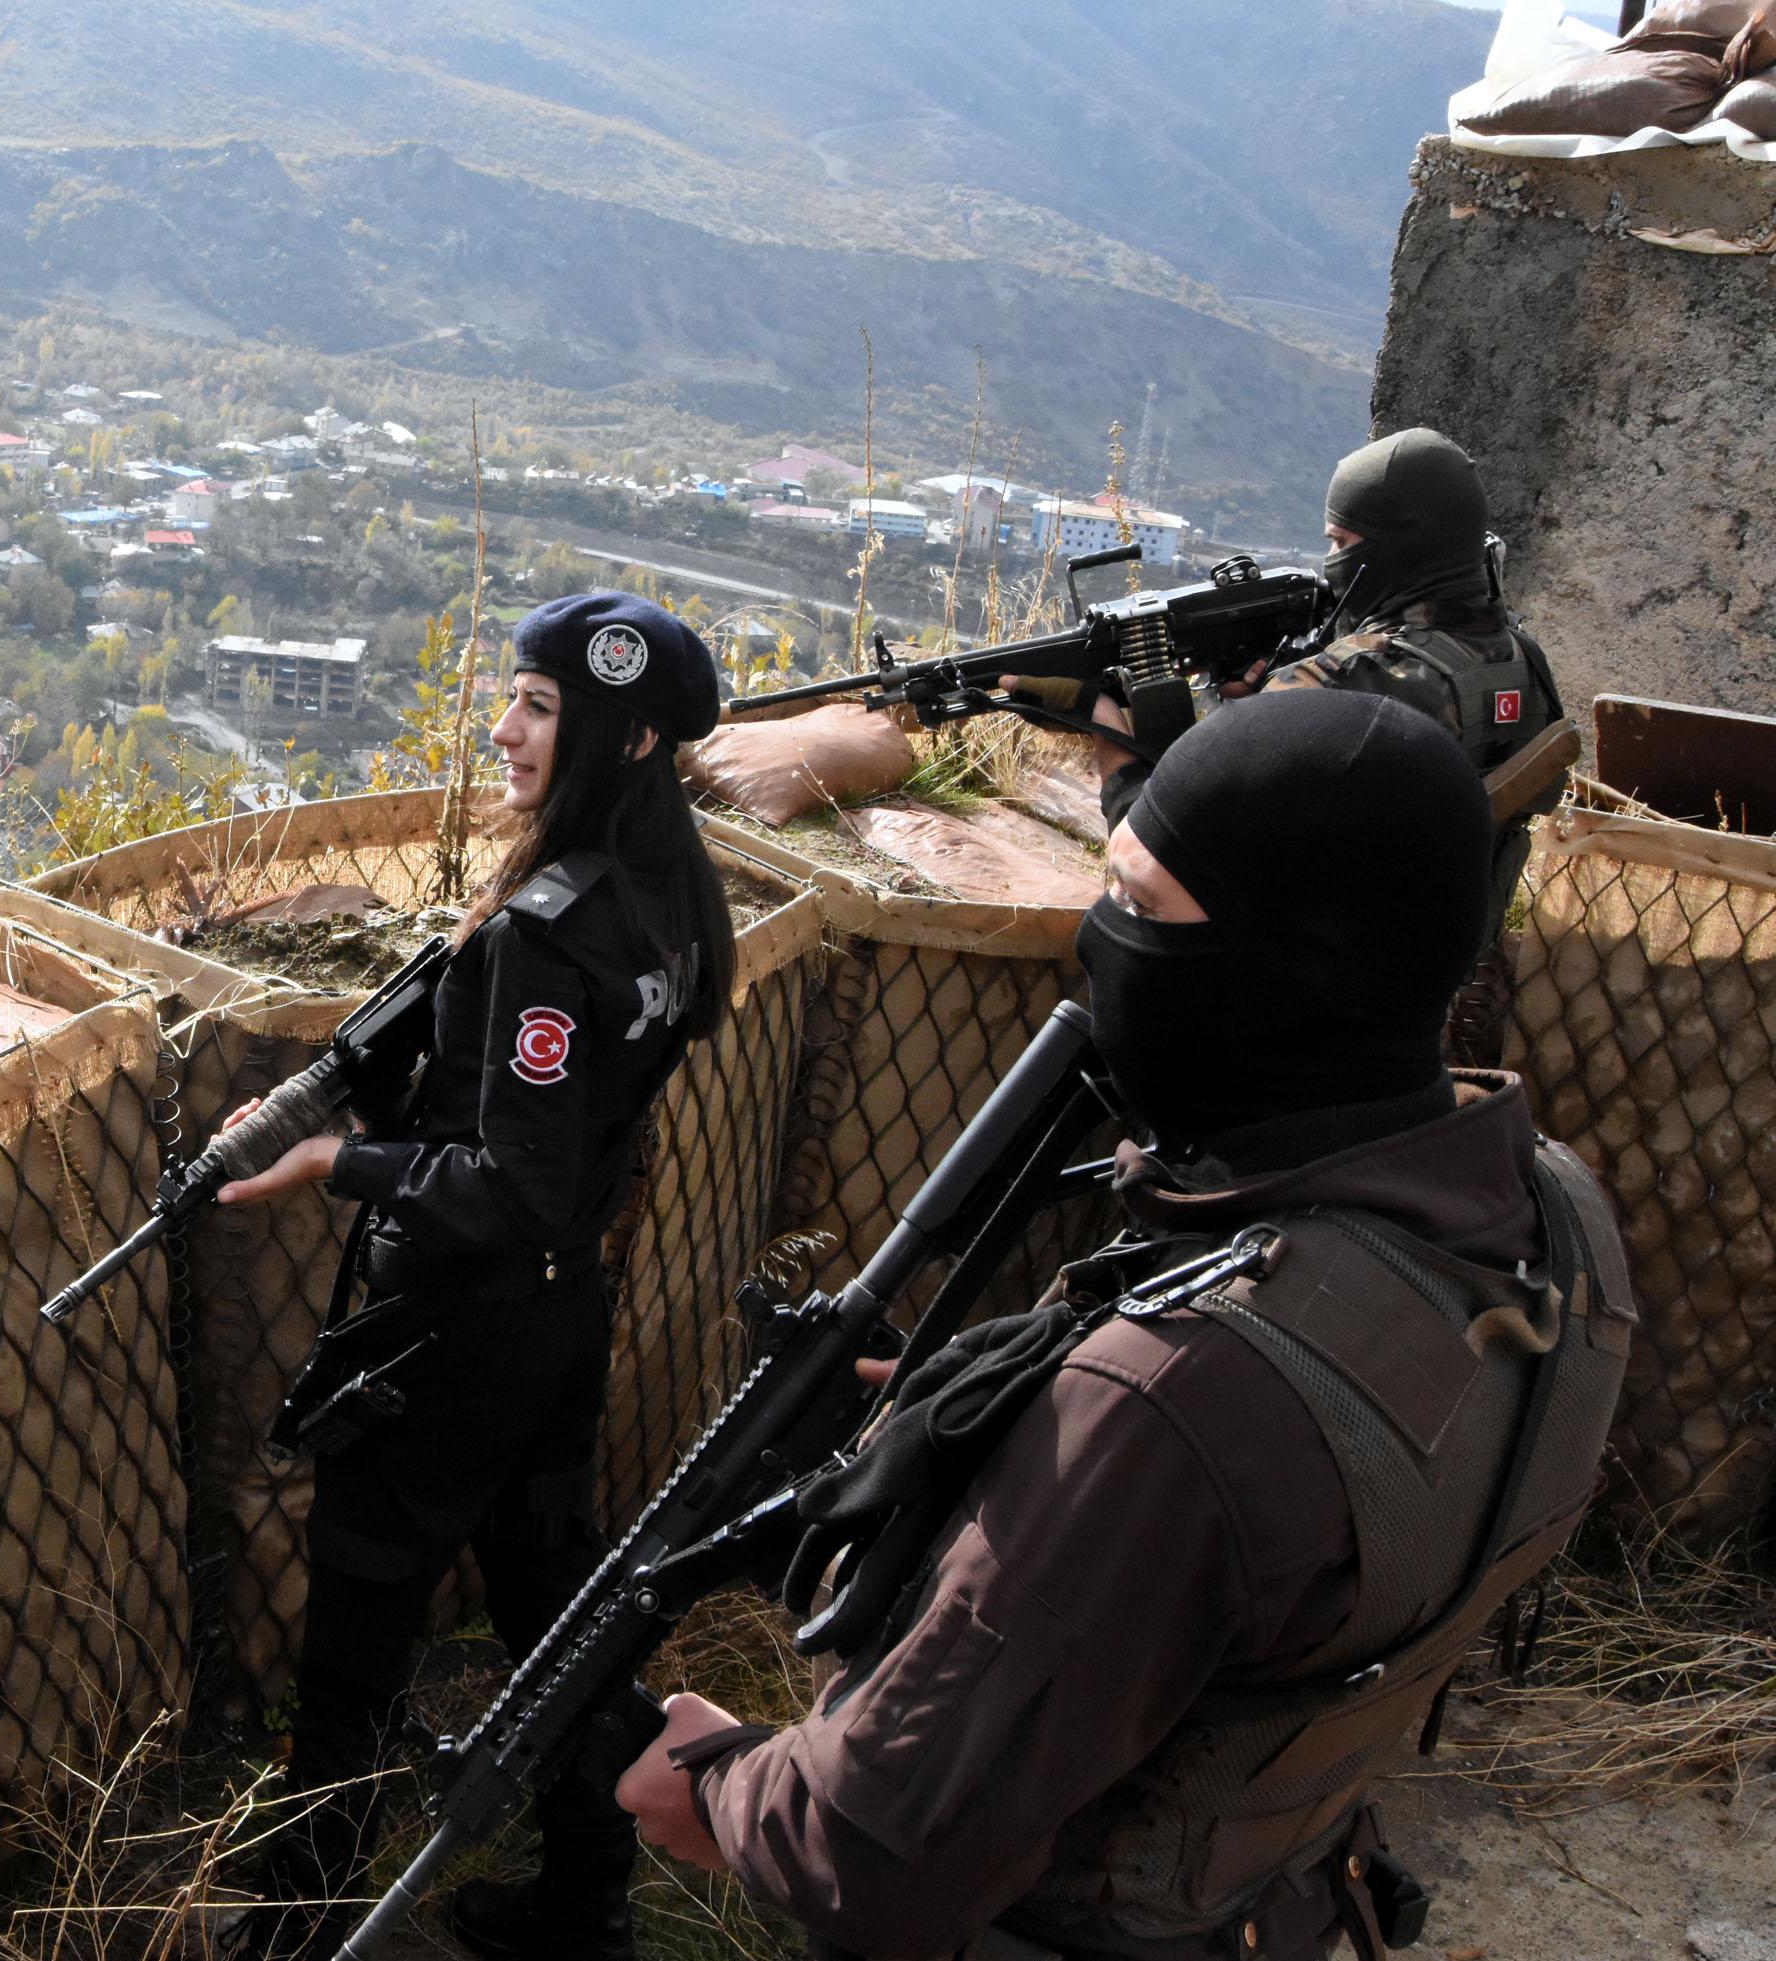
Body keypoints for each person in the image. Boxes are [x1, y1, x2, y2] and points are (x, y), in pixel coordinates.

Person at [613, 688, 1634, 1961]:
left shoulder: (1175, 1403)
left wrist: (715, 1778)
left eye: (1144, 909)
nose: (1100, 946)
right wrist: (1020, 1424)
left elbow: (866, 1853)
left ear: (1290, 969)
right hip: (1275, 1896)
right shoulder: (1556, 1212)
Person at [208, 591, 737, 1961]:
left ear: (622, 736)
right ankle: (581, 1910)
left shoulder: (545, 936)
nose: (503, 729)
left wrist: (342, 1163)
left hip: (454, 1344)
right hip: (560, 1325)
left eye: (541, 709)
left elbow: (514, 1187)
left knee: (353, 1656)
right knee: (558, 1627)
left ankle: (299, 1921)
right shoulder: (669, 890)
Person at [1086, 428, 1568, 952]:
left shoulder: (1344, 680)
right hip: (1438, 967)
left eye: (1339, 542)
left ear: (1399, 548)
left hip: (1306, 984)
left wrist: (1111, 738)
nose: (1331, 560)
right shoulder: (1524, 660)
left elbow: (1167, 852)